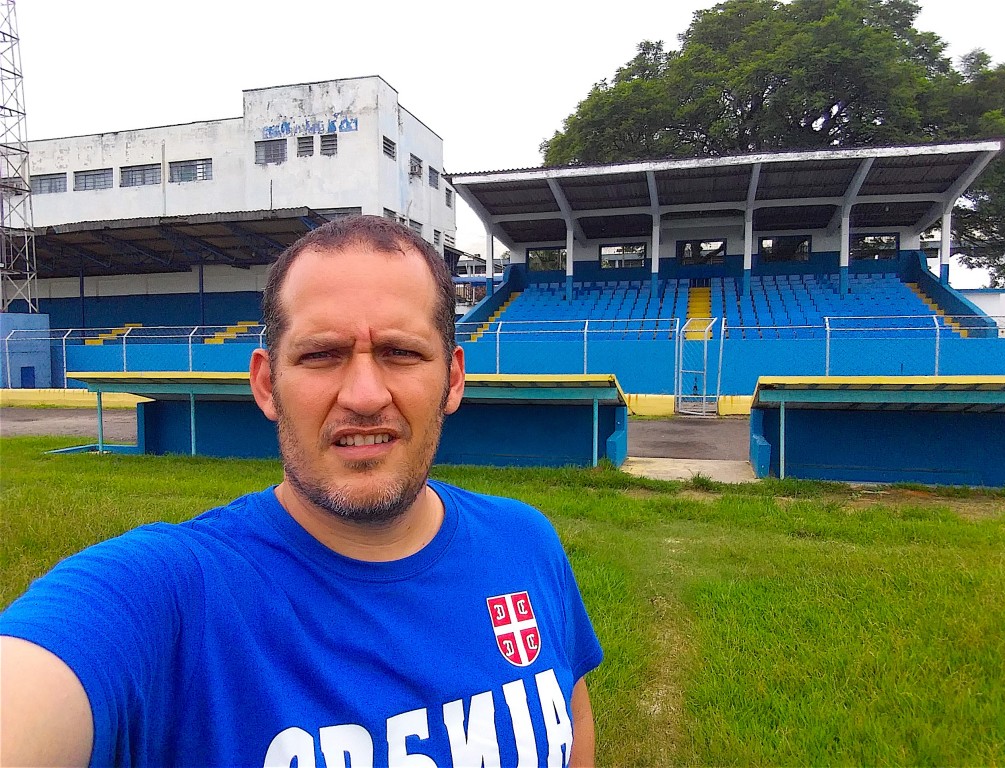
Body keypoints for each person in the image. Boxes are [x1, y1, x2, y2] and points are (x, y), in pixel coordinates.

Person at [0, 215, 602, 768]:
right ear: (266, 384)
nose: (365, 396)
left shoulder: (527, 542)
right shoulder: (172, 596)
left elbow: (571, 720)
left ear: (452, 378)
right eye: (321, 355)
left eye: (400, 352)